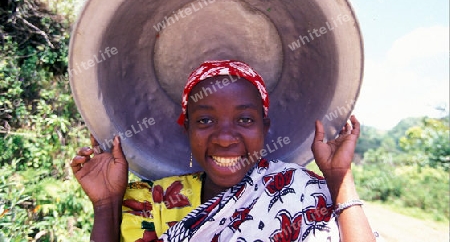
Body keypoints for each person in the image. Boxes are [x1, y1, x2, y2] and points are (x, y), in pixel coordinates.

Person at [71, 60, 377, 242]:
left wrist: (340, 179)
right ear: (187, 128)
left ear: (264, 127)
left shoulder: (299, 190)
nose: (225, 138)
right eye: (205, 120)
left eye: (245, 119)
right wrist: (106, 204)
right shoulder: (151, 202)